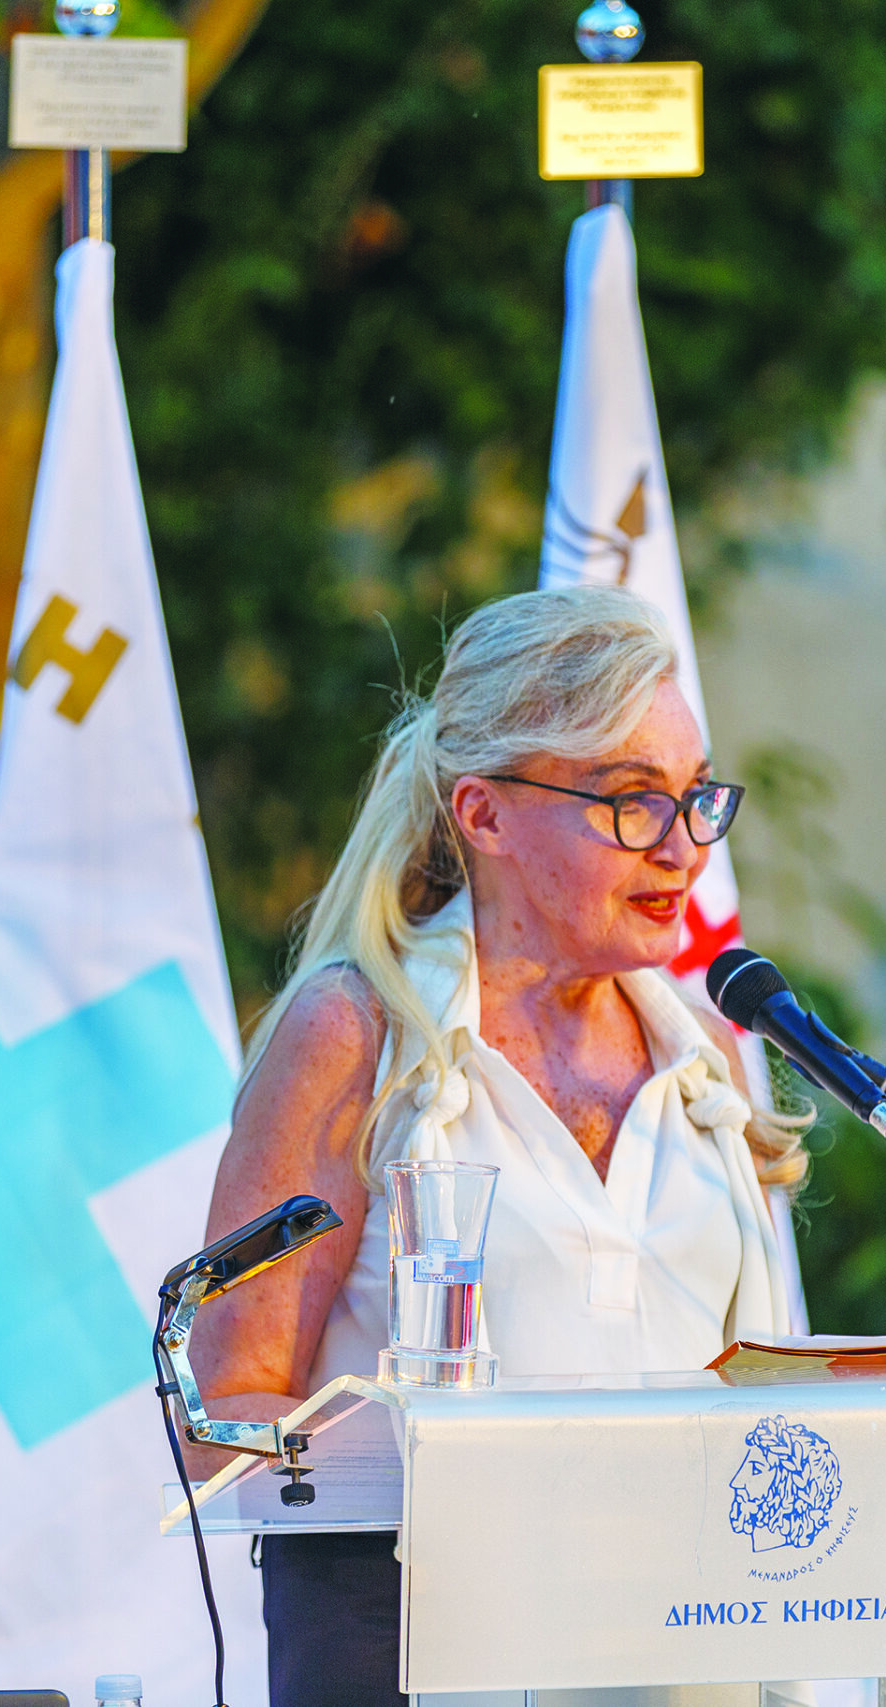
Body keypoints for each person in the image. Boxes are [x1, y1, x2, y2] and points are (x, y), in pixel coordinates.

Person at [190, 586, 808, 1707]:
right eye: (632, 801)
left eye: (695, 797)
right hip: (421, 1665)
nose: (682, 847)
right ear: (483, 813)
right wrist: (480, 1472)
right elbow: (228, 1411)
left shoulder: (707, 1057)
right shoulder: (356, 1036)